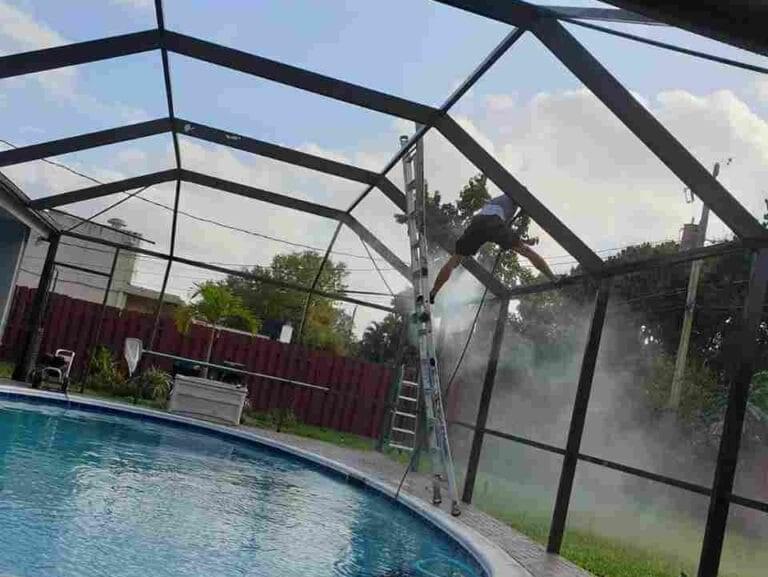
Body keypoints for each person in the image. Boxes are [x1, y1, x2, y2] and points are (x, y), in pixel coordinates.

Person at [429, 194, 557, 302]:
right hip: (494, 221)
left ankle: (434, 291)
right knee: (526, 252)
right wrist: (524, 242)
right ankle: (553, 278)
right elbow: (499, 228)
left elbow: (503, 230)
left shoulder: (498, 201)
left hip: (477, 222)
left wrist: (524, 240)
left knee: (455, 259)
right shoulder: (515, 196)